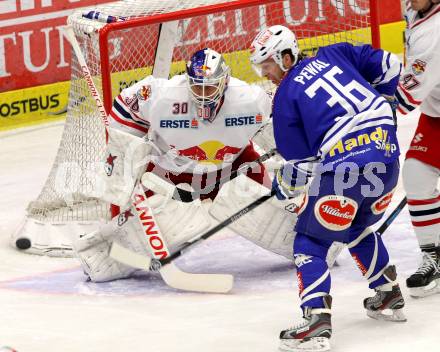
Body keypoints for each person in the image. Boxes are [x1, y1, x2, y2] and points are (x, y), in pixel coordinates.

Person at [71, 48, 306, 283]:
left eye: (210, 87)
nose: (203, 95)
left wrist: (295, 161)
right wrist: (129, 157)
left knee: (279, 212)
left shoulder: (250, 99)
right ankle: (103, 252)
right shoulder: (161, 96)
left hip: (236, 168)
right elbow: (124, 112)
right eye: (197, 86)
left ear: (224, 82)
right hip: (174, 172)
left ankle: (316, 241)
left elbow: (278, 134)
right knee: (135, 231)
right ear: (187, 81)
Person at [250, 25, 405, 351]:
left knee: (310, 241)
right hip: (388, 161)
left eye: (267, 65)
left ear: (285, 56)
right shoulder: (337, 51)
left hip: (347, 170)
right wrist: (388, 100)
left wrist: (284, 186)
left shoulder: (286, 96)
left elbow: (301, 166)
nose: (266, 73)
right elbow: (391, 66)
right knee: (355, 225)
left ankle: (316, 321)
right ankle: (388, 293)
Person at [396, 0, 440, 298]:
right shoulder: (414, 8)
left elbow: (404, 100)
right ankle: (434, 256)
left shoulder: (434, 33)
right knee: (415, 175)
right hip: (435, 116)